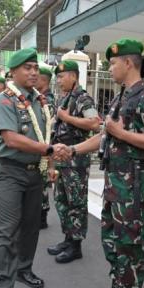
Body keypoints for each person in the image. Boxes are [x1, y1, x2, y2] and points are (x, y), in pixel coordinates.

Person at [71, 39, 144, 288]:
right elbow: (104, 136)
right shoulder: (120, 98)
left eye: (113, 63)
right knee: (112, 241)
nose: (110, 68)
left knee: (129, 244)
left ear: (128, 63)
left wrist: (121, 134)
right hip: (116, 183)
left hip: (134, 185)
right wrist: (73, 150)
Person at [0, 48, 70, 288]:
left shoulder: (42, 101)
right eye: (27, 67)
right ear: (13, 72)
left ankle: (24, 269)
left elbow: (45, 134)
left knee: (31, 227)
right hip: (10, 172)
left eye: (35, 67)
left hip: (36, 172)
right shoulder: (4, 99)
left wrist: (50, 165)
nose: (33, 72)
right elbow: (11, 139)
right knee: (7, 231)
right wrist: (49, 151)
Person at [46, 60, 100, 264]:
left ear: (74, 77)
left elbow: (95, 124)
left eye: (61, 76)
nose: (58, 81)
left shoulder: (83, 99)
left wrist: (67, 118)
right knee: (62, 201)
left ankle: (76, 246)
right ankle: (67, 239)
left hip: (76, 160)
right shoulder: (64, 98)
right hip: (61, 159)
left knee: (76, 203)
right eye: (57, 77)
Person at [35, 65, 56, 229]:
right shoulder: (39, 97)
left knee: (41, 183)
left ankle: (41, 216)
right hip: (41, 146)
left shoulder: (47, 100)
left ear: (43, 80)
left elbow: (46, 127)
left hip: (45, 146)